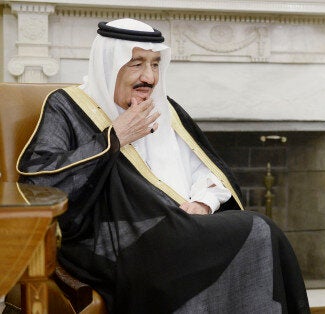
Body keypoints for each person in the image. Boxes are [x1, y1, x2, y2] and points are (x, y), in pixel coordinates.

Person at [17, 18, 310, 314]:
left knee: (258, 233)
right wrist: (114, 137)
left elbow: (205, 169)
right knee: (254, 228)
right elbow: (39, 185)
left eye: (155, 64)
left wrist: (203, 202)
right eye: (136, 64)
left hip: (177, 226)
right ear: (109, 63)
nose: (150, 77)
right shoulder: (67, 106)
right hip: (109, 238)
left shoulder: (163, 107)